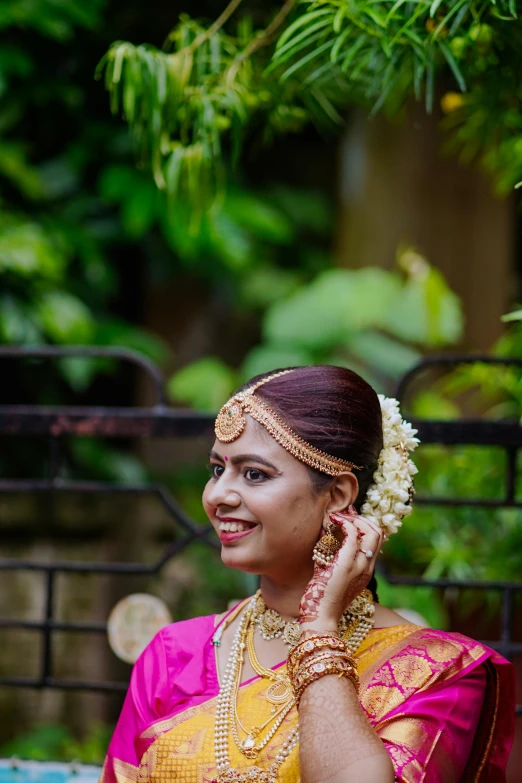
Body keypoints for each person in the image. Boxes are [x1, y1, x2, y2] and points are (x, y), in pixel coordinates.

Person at [99, 365, 515, 783]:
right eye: (216, 470)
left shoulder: (431, 672)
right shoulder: (174, 657)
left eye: (255, 474)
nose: (218, 495)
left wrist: (318, 632)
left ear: (337, 496)